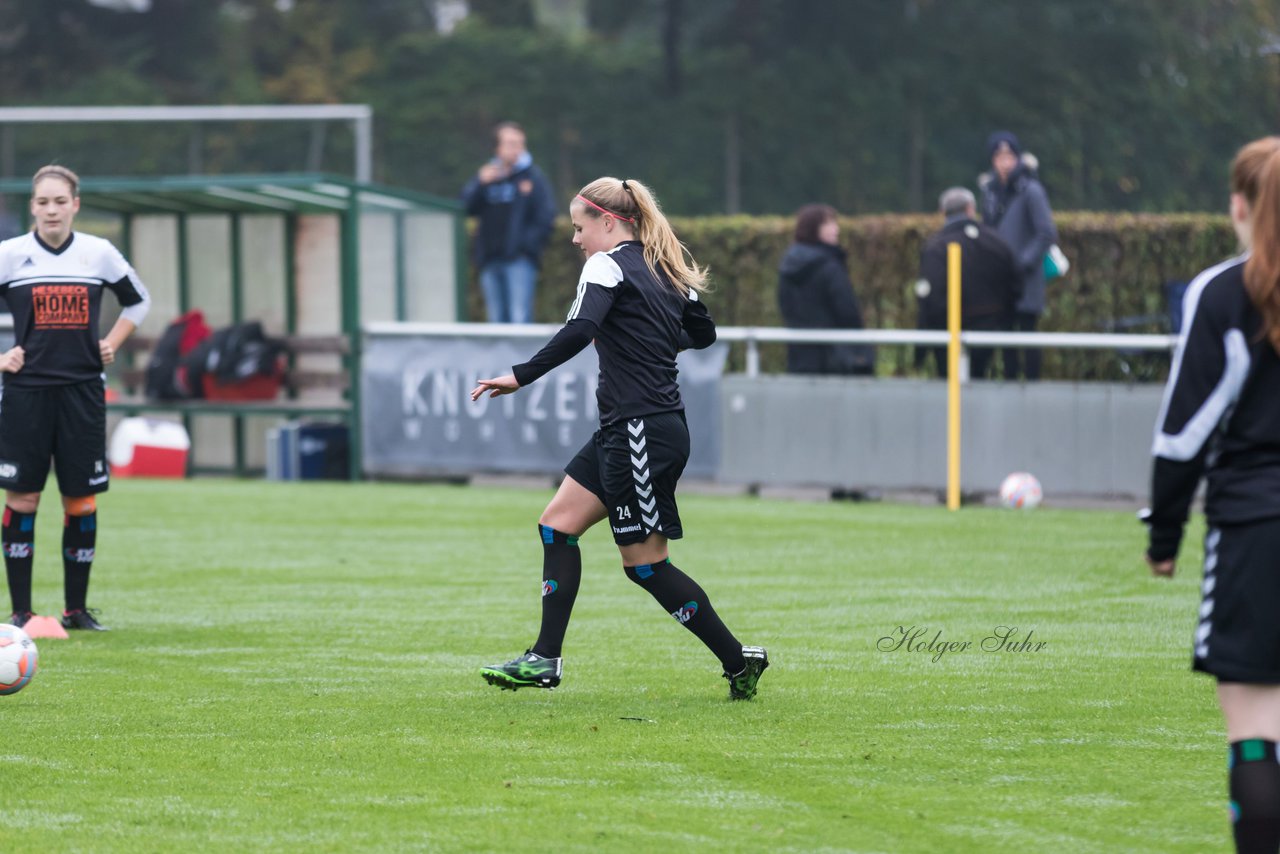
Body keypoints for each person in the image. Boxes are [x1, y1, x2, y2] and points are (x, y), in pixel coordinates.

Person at [471, 176, 768, 700]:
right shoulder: (666, 271)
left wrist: (521, 375)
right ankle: (544, 658)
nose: (575, 238)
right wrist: (651, 337)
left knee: (647, 568)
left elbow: (581, 330)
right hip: (631, 429)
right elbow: (704, 333)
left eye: (579, 227)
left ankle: (738, 659)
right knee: (556, 526)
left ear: (608, 222)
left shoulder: (605, 265)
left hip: (640, 432)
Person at [1144, 136, 1280, 854]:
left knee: (1255, 735)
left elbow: (1182, 436)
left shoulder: (1224, 292)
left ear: (1239, 206)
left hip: (1256, 529)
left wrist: (1163, 539)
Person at [1, 165, 151, 632]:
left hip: (83, 391)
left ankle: (76, 611)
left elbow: (139, 300)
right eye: (43, 202)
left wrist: (114, 341)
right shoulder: (10, 255)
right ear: (33, 206)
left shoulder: (97, 254)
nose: (51, 210)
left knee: (80, 500)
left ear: (75, 205)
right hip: (26, 393)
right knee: (23, 497)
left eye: (59, 201)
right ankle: (21, 612)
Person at [916, 187, 1020, 379]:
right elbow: (1014, 286)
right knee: (979, 380)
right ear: (971, 208)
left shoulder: (935, 247)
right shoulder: (996, 242)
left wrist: (921, 349)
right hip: (990, 330)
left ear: (942, 212)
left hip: (948, 334)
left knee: (949, 389)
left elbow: (930, 298)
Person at [979, 131, 1058, 380]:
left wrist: (1023, 263)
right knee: (1005, 335)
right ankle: (1011, 384)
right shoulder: (990, 193)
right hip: (1002, 279)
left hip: (1026, 277)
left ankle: (1032, 387)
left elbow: (1046, 233)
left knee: (1027, 332)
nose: (1005, 162)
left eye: (1009, 156)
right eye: (999, 156)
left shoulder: (1031, 190)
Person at [460, 121, 557, 324]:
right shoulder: (487, 176)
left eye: (521, 144)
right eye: (511, 144)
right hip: (489, 259)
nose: (517, 149)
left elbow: (546, 217)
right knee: (496, 321)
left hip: (519, 261)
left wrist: (525, 246)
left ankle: (524, 359)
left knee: (519, 318)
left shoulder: (533, 177)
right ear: (497, 147)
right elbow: (465, 208)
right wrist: (480, 183)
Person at [776, 203, 874, 375]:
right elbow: (848, 313)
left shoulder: (787, 265)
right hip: (834, 359)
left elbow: (785, 305)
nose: (836, 229)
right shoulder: (829, 266)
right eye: (828, 224)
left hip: (799, 356)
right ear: (813, 229)